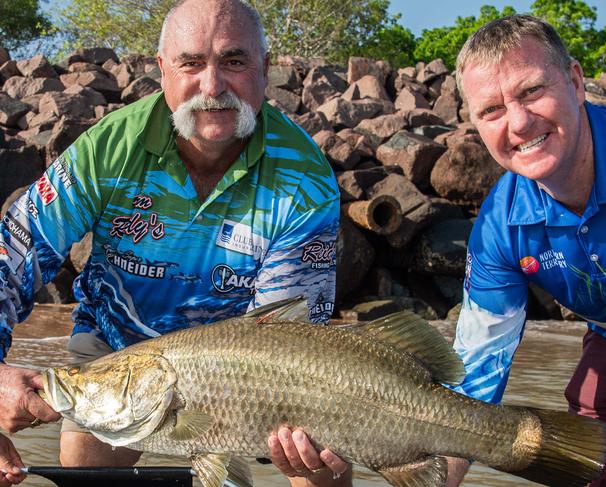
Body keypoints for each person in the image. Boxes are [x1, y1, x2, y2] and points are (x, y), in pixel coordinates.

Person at [0, 0, 349, 485]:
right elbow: (10, 257)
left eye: (234, 61)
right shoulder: (106, 150)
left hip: (246, 372)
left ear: (265, 71)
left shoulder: (305, 179)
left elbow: (290, 334)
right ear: (162, 71)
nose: (212, 87)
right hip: (114, 352)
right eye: (191, 63)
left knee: (318, 465)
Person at [443, 14, 606, 487]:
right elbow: (472, 382)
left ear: (575, 81)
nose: (518, 122)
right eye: (491, 110)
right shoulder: (501, 228)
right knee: (591, 466)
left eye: (532, 91)